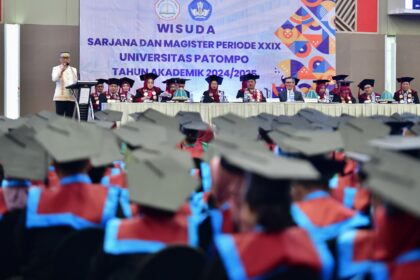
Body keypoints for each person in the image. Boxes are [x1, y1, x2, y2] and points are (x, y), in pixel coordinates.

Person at [51, 52, 78, 117]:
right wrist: (61, 70)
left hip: (71, 98)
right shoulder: (56, 68)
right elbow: (54, 79)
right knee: (59, 118)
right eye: (63, 58)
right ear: (60, 59)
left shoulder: (73, 70)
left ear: (69, 59)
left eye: (67, 58)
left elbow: (75, 81)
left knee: (69, 118)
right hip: (60, 97)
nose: (65, 60)